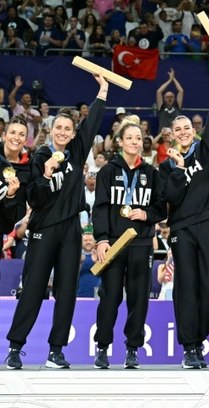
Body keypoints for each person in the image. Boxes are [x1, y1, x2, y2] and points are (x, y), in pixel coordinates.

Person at [5, 73, 108, 370]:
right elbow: (34, 199)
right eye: (58, 128)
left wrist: (102, 90)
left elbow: (92, 122)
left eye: (68, 129)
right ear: (50, 131)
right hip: (43, 230)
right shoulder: (39, 157)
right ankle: (15, 347)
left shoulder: (77, 151)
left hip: (71, 230)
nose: (63, 132)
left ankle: (56, 350)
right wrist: (48, 173)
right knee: (34, 288)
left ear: (73, 134)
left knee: (66, 291)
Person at [158, 53, 209, 369]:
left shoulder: (208, 150)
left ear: (194, 130)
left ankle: (199, 339)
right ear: (172, 134)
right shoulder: (165, 166)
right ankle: (190, 346)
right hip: (183, 229)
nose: (184, 131)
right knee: (185, 286)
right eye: (179, 128)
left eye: (188, 127)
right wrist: (177, 168)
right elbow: (168, 199)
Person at [92, 118, 166, 369]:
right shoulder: (107, 171)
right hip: (113, 243)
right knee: (110, 296)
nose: (134, 142)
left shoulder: (151, 173)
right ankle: (102, 347)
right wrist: (101, 239)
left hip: (141, 243)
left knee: (139, 298)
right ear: (120, 141)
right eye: (129, 138)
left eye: (138, 138)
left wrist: (147, 215)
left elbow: (161, 208)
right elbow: (99, 209)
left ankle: (132, 349)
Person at [0, 116, 30, 236]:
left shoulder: (28, 171)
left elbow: (14, 218)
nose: (16, 138)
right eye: (12, 132)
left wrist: (10, 196)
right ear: (3, 136)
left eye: (21, 134)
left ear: (26, 141)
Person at [156, 68, 184, 132]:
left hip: (175, 134)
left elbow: (181, 91)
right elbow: (159, 92)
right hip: (163, 135)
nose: (169, 98)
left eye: (171, 96)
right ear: (164, 99)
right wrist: (169, 80)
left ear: (174, 98)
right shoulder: (161, 107)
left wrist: (173, 78)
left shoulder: (177, 106)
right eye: (167, 97)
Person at [77, 229, 100, 298]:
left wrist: (97, 262)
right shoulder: (76, 256)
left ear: (94, 242)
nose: (88, 242)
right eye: (85, 240)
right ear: (81, 242)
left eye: (90, 240)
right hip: (79, 293)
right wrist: (80, 262)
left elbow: (105, 274)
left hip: (98, 293)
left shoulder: (100, 255)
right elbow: (72, 276)